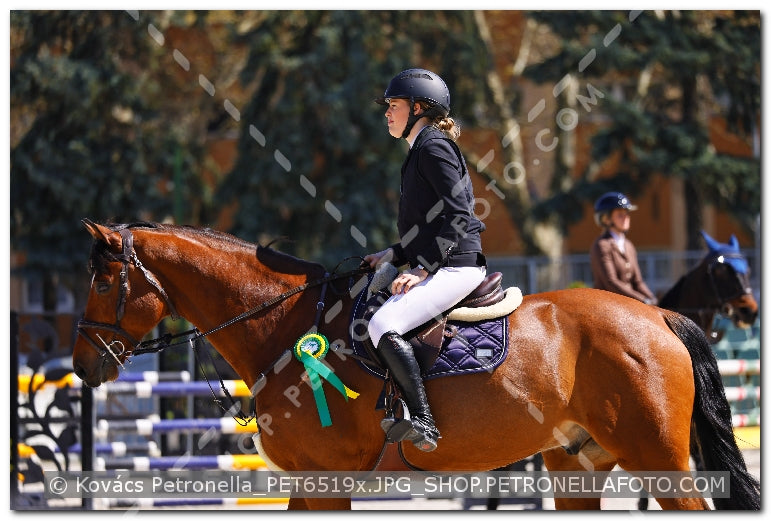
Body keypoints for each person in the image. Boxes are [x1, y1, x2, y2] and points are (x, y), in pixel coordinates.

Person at [363, 68, 487, 452]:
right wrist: (395, 254)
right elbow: (429, 224)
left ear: (418, 108)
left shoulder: (432, 147)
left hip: (457, 266)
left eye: (394, 105)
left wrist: (421, 269)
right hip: (445, 261)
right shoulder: (422, 147)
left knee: (383, 325)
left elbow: (460, 215)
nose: (387, 113)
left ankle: (424, 421)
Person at [590, 191, 658, 305]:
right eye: (620, 215)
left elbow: (638, 282)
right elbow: (611, 282)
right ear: (606, 219)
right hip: (608, 305)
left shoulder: (628, 245)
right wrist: (643, 300)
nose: (626, 217)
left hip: (630, 304)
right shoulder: (601, 245)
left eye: (626, 214)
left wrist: (652, 299)